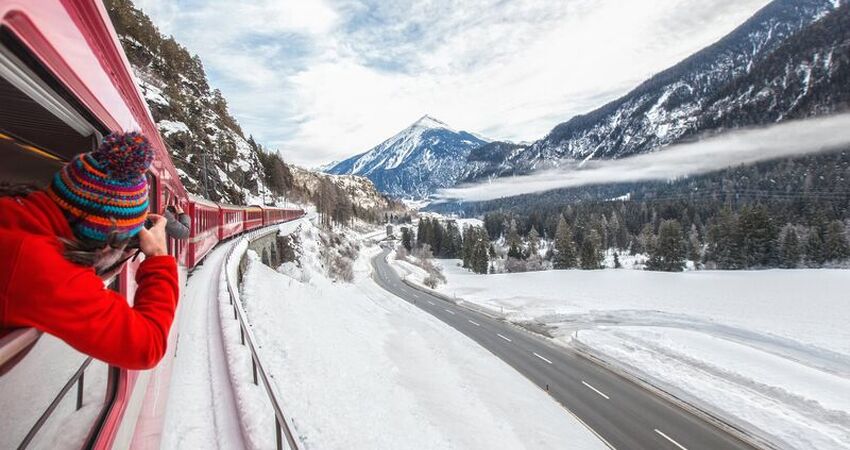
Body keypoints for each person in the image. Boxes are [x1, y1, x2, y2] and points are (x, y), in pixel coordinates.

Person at [0, 132, 179, 370]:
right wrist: (158, 257)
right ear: (105, 241)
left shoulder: (14, 214)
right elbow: (148, 346)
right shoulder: (44, 267)